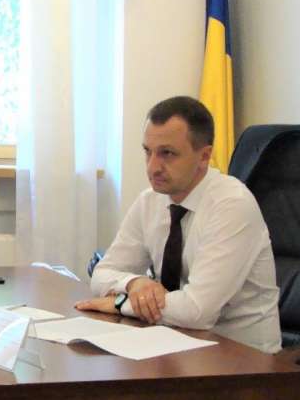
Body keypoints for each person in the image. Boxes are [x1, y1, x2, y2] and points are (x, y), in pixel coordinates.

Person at [76, 96, 281, 353]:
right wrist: (134, 283)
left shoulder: (232, 205)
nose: (153, 167)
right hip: (176, 346)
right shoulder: (150, 201)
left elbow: (197, 311)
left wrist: (119, 304)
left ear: (204, 156)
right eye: (148, 151)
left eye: (167, 154)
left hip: (244, 360)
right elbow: (102, 274)